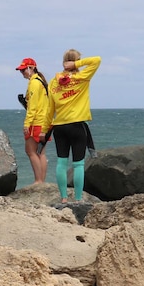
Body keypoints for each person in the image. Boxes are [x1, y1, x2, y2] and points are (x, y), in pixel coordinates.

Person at [42, 49, 102, 202]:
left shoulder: (54, 82)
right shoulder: (81, 77)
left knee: (61, 162)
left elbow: (50, 109)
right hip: (76, 126)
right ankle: (78, 198)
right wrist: (77, 64)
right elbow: (97, 60)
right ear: (76, 60)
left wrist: (44, 130)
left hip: (59, 128)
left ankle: (63, 198)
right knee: (78, 164)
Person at [15, 57, 50, 183]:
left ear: (32, 68)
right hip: (45, 122)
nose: (22, 72)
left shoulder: (34, 83)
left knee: (30, 150)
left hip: (37, 122)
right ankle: (41, 180)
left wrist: (27, 124)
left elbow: (33, 107)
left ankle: (38, 180)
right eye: (21, 70)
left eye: (24, 70)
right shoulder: (41, 82)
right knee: (41, 152)